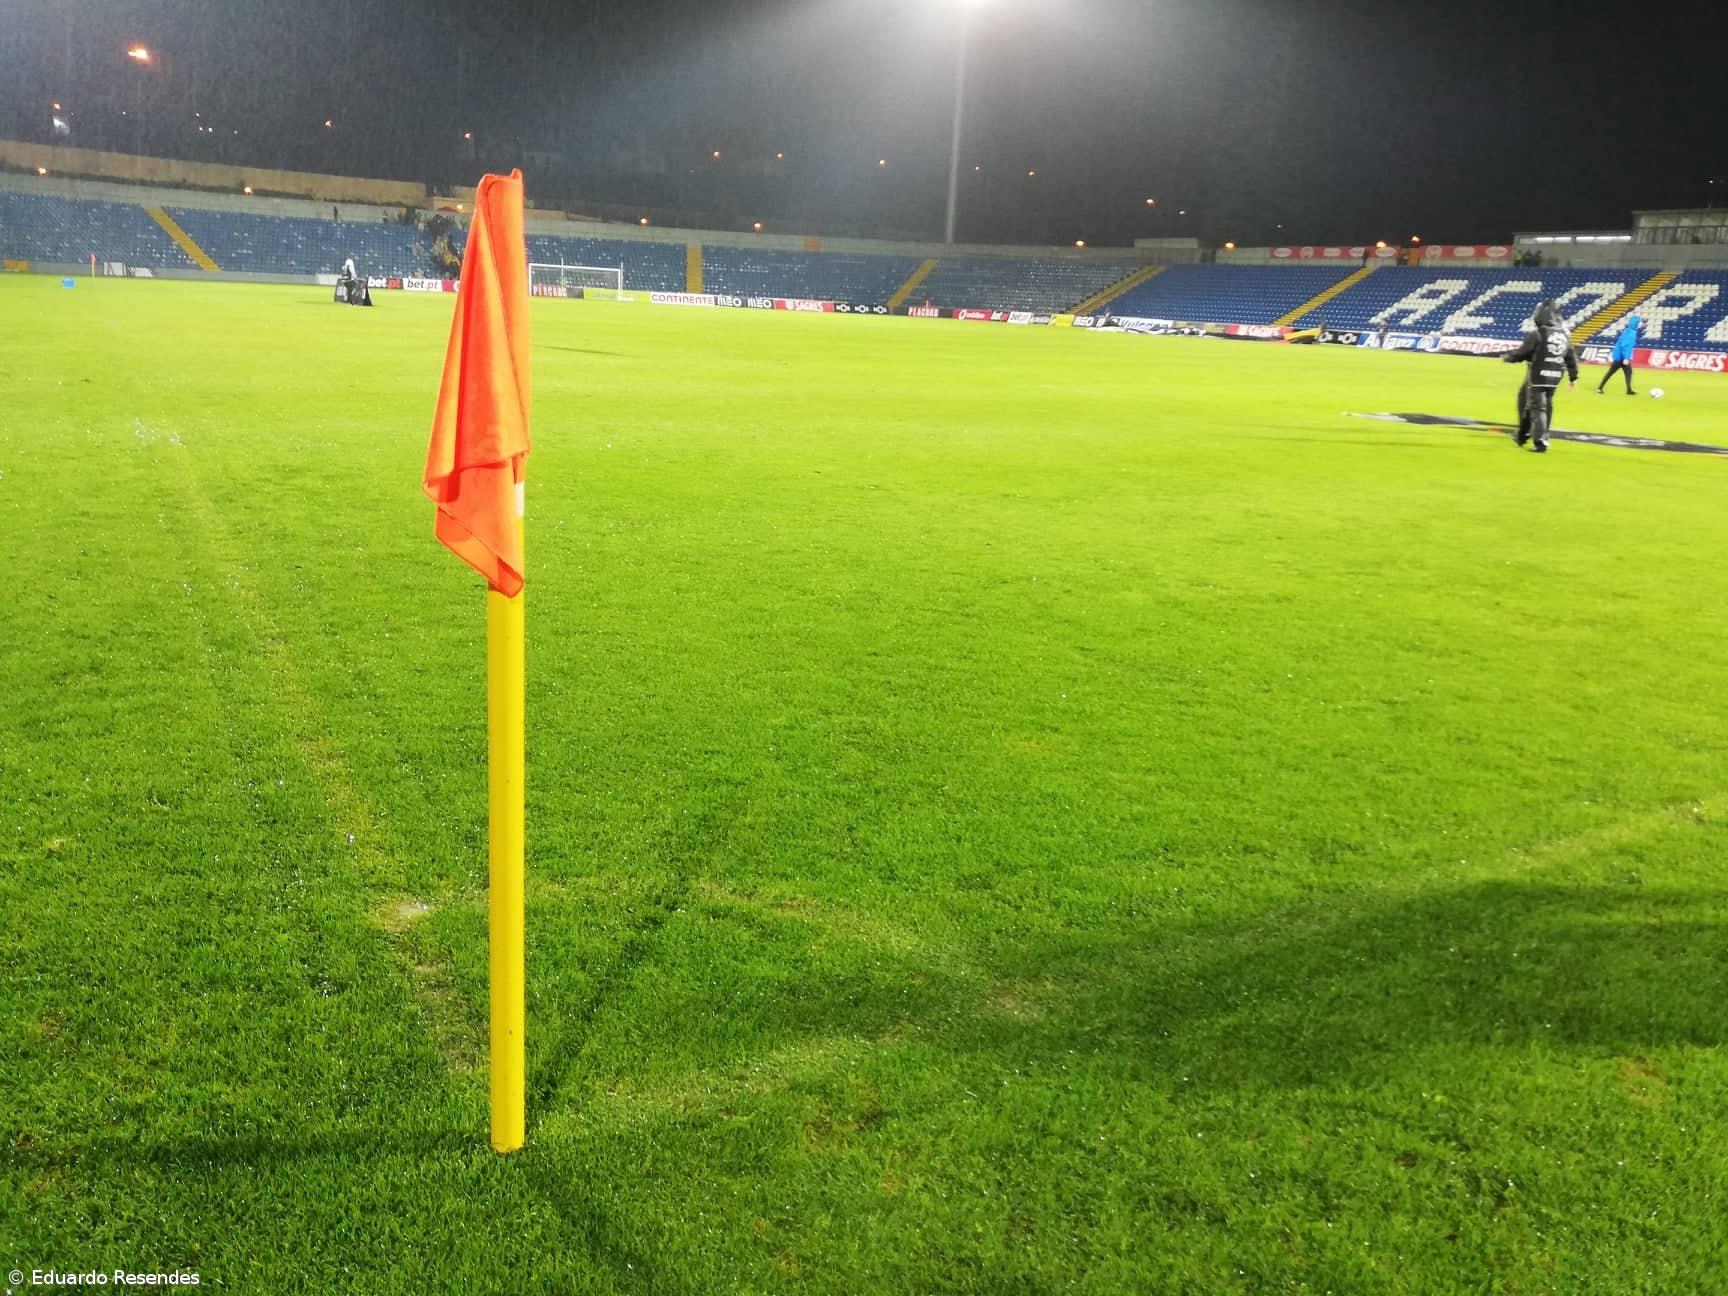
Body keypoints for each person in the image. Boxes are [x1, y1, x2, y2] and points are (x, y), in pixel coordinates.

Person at [1502, 299, 1577, 454]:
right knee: (1536, 404)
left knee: (1536, 405)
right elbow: (1570, 355)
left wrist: (1509, 357)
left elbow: (1523, 352)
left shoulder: (1539, 333)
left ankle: (1540, 441)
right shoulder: (1563, 332)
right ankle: (1523, 435)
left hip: (1538, 372)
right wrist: (1573, 375)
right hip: (1555, 373)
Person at [1596, 312, 1642, 395]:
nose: (1640, 324)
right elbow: (1626, 346)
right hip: (1621, 357)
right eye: (1639, 322)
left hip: (1619, 355)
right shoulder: (1631, 333)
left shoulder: (1628, 331)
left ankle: (1629, 390)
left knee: (1628, 372)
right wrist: (1626, 358)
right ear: (1636, 323)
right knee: (1611, 372)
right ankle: (1599, 388)